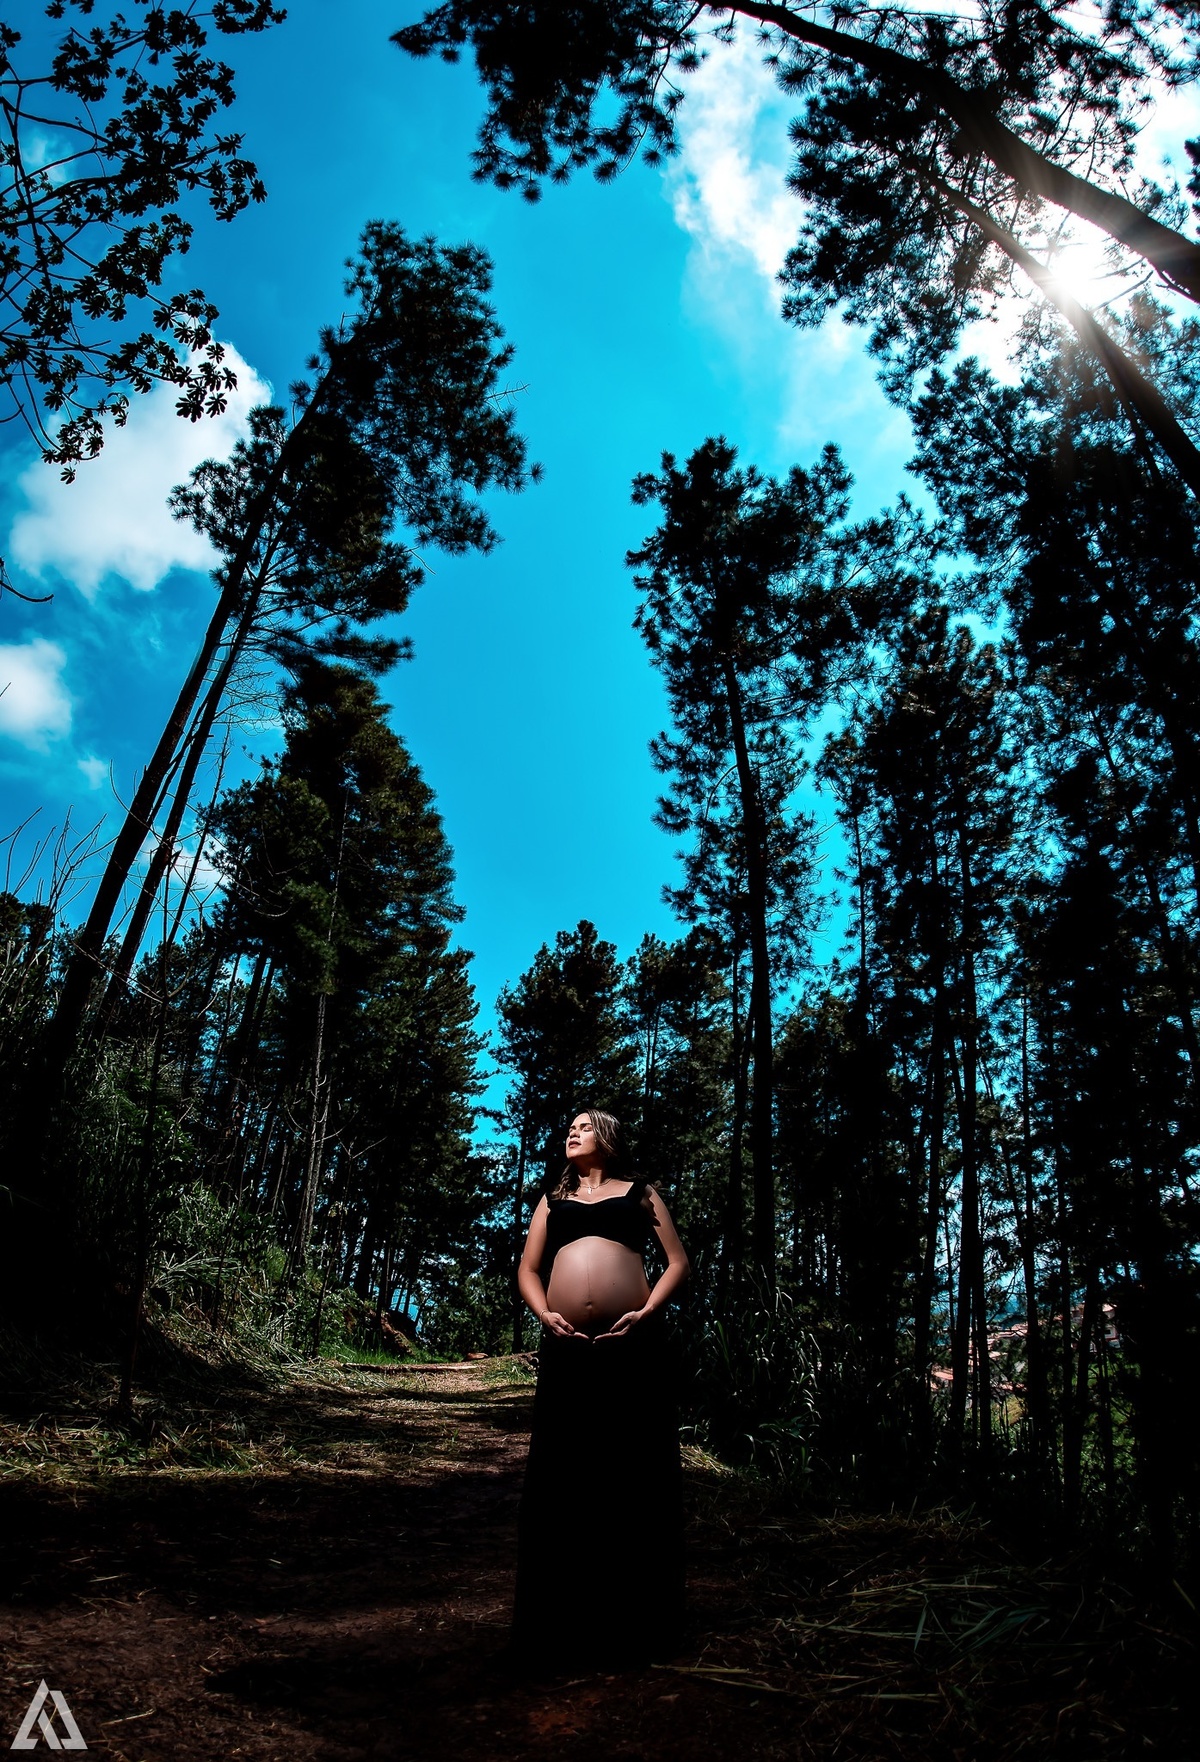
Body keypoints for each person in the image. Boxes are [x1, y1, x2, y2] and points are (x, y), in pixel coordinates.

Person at [512, 1106, 690, 1666]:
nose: (572, 1130)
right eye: (569, 1125)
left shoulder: (639, 1192)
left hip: (630, 1347)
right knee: (565, 1474)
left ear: (607, 1138)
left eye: (585, 1126)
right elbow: (527, 1269)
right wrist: (545, 1315)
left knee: (631, 1471)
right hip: (567, 1349)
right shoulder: (552, 1198)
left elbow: (677, 1262)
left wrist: (647, 1313)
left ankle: (638, 1624)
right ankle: (560, 1626)